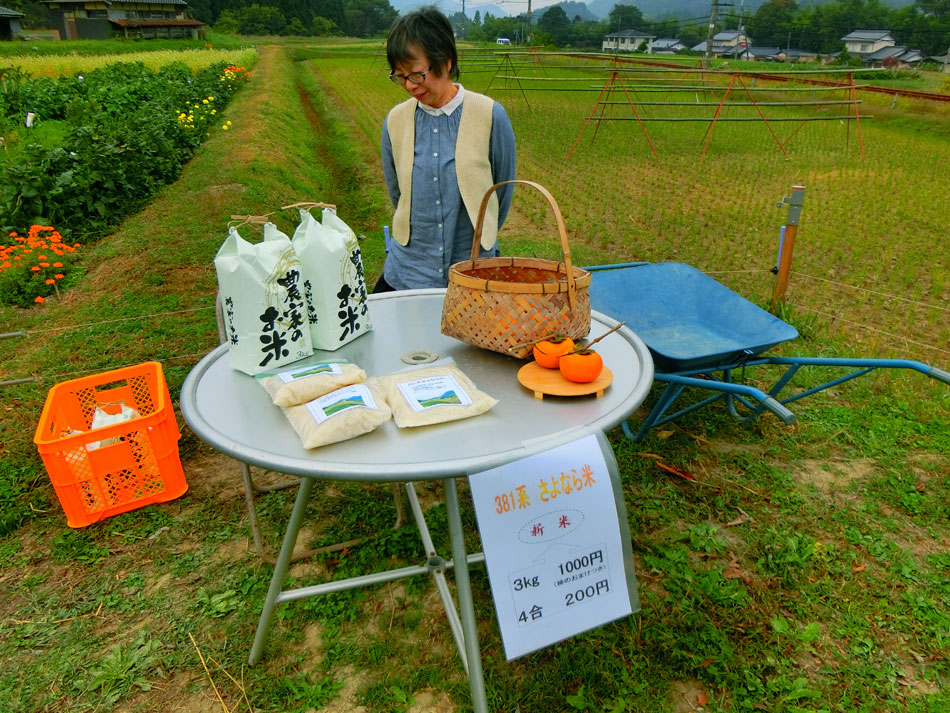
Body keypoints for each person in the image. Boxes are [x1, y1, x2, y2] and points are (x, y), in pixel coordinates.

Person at [375, 6, 517, 292]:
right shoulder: (396, 122)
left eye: (416, 75)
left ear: (446, 62)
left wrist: (483, 235)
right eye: (400, 77)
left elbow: (501, 192)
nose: (409, 86)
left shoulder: (490, 115)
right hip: (409, 273)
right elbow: (398, 193)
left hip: (474, 271)